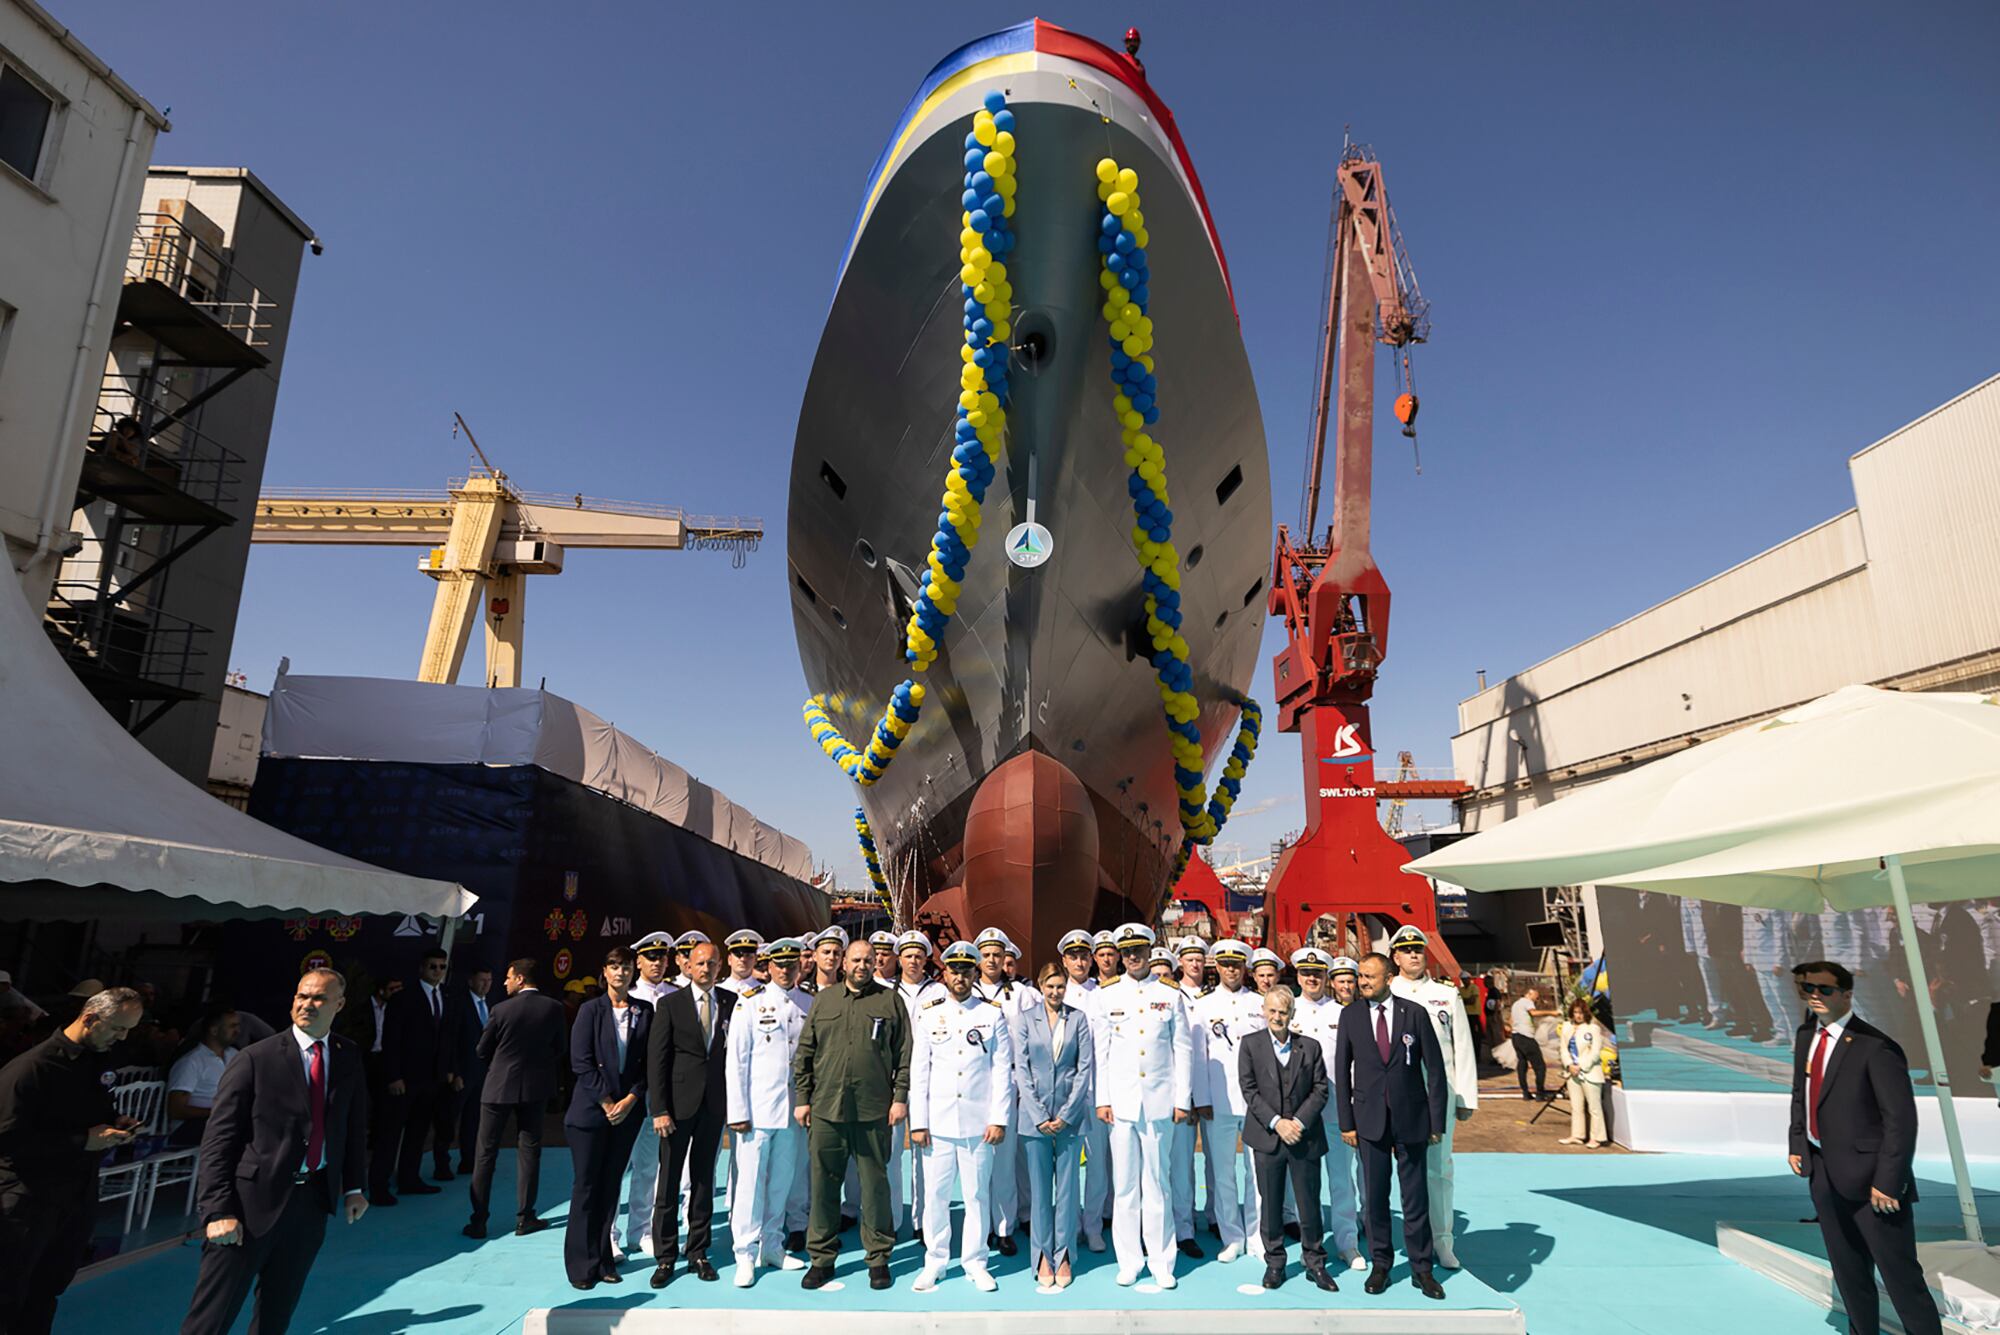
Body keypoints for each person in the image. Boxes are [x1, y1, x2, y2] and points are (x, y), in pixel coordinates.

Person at [180, 971, 366, 1335]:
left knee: (277, 1311)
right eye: (301, 996)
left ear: (339, 1005)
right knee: (212, 1316)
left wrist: (353, 1186)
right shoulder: (255, 1058)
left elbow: (352, 1124)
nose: (306, 1005)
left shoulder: (347, 1055)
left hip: (310, 1203)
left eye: (318, 999)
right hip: (249, 1206)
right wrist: (218, 1210)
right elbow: (220, 1139)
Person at [1788, 961, 1942, 1335]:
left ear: (1846, 994)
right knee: (1848, 1271)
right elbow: (1801, 1094)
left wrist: (1889, 1182)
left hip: (1874, 1183)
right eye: (1807, 988)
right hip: (1822, 1171)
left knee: (1899, 1275)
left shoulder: (1877, 1048)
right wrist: (1797, 1143)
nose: (1815, 996)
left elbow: (1901, 1122)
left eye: (1824, 990)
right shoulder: (1806, 1034)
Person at [0, 987, 142, 1334]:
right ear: (90, 1019)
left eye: (128, 1031)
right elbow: (7, 1141)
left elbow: (86, 1117)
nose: (121, 1038)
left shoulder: (96, 1062)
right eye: (117, 1028)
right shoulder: (30, 1069)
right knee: (7, 1294)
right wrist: (83, 1141)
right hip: (26, 1201)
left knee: (46, 1291)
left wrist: (116, 1125)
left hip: (75, 1197)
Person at [792, 937, 912, 1291]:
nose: (862, 965)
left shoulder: (889, 1000)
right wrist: (803, 1098)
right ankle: (822, 1258)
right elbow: (806, 1052)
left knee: (875, 1186)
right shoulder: (824, 1000)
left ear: (876, 964)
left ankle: (878, 1258)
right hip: (827, 1108)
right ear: (843, 963)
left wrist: (899, 1098)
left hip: (872, 1109)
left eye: (868, 960)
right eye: (856, 959)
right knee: (824, 1184)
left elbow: (904, 1054)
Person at [1333, 952, 1447, 1301]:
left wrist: (1436, 1121)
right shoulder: (1350, 1015)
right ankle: (1381, 1263)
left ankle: (1422, 1269)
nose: (1362, 982)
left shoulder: (1414, 1013)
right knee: (1376, 1199)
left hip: (1411, 1120)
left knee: (1415, 1200)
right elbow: (1342, 1072)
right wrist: (1346, 1123)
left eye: (1369, 977)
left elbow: (1436, 1071)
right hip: (1369, 1123)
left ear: (1387, 978)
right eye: (1360, 977)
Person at [908, 941, 1015, 1293]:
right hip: (937, 1123)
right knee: (936, 1196)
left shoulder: (991, 1014)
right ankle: (935, 1261)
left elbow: (1002, 1071)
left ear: (974, 973)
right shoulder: (929, 1012)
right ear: (945, 973)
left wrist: (999, 1118)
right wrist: (919, 1122)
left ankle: (976, 1261)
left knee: (976, 1196)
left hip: (977, 1123)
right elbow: (918, 1071)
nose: (960, 976)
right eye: (954, 970)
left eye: (967, 970)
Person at [1094, 922, 1195, 1289]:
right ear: (1120, 955)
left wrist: (1181, 1099)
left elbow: (1181, 1050)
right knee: (1124, 1187)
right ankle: (1129, 1260)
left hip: (1158, 1103)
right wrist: (1102, 1099)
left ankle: (1162, 1260)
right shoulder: (1107, 994)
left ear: (1150, 952)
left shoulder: (1170, 994)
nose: (1133, 956)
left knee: (1157, 1184)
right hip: (1121, 1105)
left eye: (1139, 950)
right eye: (1127, 951)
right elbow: (1100, 1052)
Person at [1387, 924, 1479, 1270]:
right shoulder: (1385, 992)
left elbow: (1463, 1047)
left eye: (1418, 950)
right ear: (1395, 956)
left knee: (1439, 1171)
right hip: (1395, 1098)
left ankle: (1442, 1241)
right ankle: (1401, 1239)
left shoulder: (1446, 995)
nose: (1414, 955)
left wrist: (1466, 1096)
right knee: (1394, 1171)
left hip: (1437, 1097)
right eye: (1407, 950)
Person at [562, 947, 652, 1290]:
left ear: (633, 972)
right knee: (587, 1187)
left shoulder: (645, 1011)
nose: (620, 972)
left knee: (611, 1188)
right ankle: (580, 1264)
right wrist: (606, 1101)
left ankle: (603, 1258)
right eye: (614, 966)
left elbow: (647, 1063)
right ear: (605, 971)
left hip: (626, 1115)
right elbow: (580, 1061)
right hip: (589, 1115)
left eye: (626, 966)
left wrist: (630, 1099)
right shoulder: (589, 1010)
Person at [724, 937, 812, 1285]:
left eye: (792, 963)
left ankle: (772, 1246)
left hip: (793, 1111)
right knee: (750, 1183)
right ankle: (745, 1252)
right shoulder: (750, 1003)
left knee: (781, 1182)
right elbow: (737, 1061)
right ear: (769, 966)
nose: (786, 969)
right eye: (780, 964)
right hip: (758, 1110)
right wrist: (738, 1111)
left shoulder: (808, 1002)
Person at [1241, 987, 1340, 1292]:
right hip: (1268, 1137)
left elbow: (1320, 1089)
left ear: (1293, 1014)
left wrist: (1296, 1122)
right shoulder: (1250, 1045)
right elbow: (1249, 1089)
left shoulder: (1309, 1047)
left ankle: (1315, 1262)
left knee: (1308, 1202)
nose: (1277, 1017)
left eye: (1283, 1011)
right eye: (1272, 1010)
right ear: (1263, 1011)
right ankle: (1275, 1262)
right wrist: (1277, 1122)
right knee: (1270, 1203)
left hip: (1304, 1137)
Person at [648, 940, 734, 1286]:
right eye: (699, 963)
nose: (705, 969)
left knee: (703, 1181)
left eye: (712, 964)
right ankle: (665, 1257)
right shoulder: (670, 1004)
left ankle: (698, 1251)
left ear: (720, 967)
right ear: (687, 965)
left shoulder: (731, 1003)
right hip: (677, 1107)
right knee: (668, 1182)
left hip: (713, 1106)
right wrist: (660, 1109)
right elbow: (658, 1060)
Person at [464, 958, 565, 1239]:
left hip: (498, 1087)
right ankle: (526, 1217)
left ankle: (479, 1220)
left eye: (508, 977)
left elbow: (482, 1050)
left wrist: (501, 1064)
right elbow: (559, 1048)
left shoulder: (501, 1009)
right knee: (530, 1152)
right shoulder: (554, 1008)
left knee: (485, 1154)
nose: (505, 982)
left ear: (520, 979)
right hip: (536, 1088)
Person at [1015, 959, 1093, 1290]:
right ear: (1039, 986)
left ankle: (1064, 1255)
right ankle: (1041, 1256)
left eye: (1060, 986)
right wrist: (1039, 1116)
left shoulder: (1078, 1019)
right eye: (1050, 986)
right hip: (1035, 1122)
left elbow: (1084, 1067)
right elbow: (1022, 1068)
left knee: (1067, 1191)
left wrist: (1066, 1114)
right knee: (1039, 1191)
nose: (1055, 992)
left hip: (1070, 1121)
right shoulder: (1024, 1020)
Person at [1192, 938, 1266, 1263]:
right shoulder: (1203, 1005)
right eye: (1224, 964)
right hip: (1218, 1101)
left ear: (1245, 967)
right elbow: (1197, 1057)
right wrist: (1201, 1099)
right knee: (1222, 1172)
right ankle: (1232, 1236)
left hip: (1255, 1102)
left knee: (1257, 1173)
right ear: (1216, 967)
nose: (1231, 969)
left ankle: (1257, 1236)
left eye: (1236, 964)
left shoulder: (1260, 1003)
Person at [1288, 949, 1362, 1269]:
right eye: (1306, 973)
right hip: (1301, 1112)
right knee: (1305, 1184)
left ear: (1326, 977)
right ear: (1298, 976)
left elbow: (1356, 1061)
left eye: (1317, 973)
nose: (1312, 978)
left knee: (1342, 1179)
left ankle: (1348, 1242)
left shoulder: (1344, 1012)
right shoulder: (1289, 1011)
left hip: (1337, 1110)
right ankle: (1312, 1245)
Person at [370, 949, 458, 1204]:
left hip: (432, 1079)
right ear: (422, 968)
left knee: (418, 1132)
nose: (438, 971)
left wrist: (448, 1070)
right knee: (390, 1133)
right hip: (404, 1079)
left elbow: (448, 1037)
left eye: (442, 967)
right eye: (433, 966)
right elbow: (392, 1039)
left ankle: (409, 1179)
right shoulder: (403, 998)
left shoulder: (445, 996)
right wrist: (393, 1076)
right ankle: (378, 1186)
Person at [617, 932, 677, 1260]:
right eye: (650, 958)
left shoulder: (674, 995)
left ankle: (639, 1231)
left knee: (648, 1166)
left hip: (659, 1093)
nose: (657, 963)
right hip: (630, 1091)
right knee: (618, 1164)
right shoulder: (626, 994)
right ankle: (609, 1233)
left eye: (662, 958)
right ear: (637, 961)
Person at [971, 926, 1030, 1255]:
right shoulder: (966, 991)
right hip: (976, 1081)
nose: (992, 960)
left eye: (997, 955)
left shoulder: (1022, 995)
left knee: (1005, 1160)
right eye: (987, 955)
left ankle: (1005, 1226)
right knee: (978, 1161)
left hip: (1010, 1080)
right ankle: (980, 1227)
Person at [1058, 929, 1111, 1253]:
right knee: (1064, 1165)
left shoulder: (1105, 994)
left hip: (1096, 1091)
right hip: (1064, 1093)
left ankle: (1092, 1225)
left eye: (1084, 955)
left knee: (1097, 1164)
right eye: (1073, 956)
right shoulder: (1052, 994)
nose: (1079, 961)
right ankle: (1067, 1224)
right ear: (1064, 960)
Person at [167, 1009, 241, 1147]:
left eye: (237, 1026)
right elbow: (176, 1109)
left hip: (221, 1120)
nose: (237, 1031)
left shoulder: (235, 1055)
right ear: (214, 1030)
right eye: (232, 1026)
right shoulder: (191, 1062)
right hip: (190, 1127)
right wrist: (217, 1112)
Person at [445, 967, 493, 1177]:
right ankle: (441, 1162)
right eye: (482, 979)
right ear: (471, 980)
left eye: (489, 980)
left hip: (483, 1074)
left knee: (474, 1119)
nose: (486, 984)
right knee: (448, 1118)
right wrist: (454, 1072)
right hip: (462, 1073)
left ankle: (469, 1160)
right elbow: (452, 1040)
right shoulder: (459, 1004)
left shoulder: (492, 1004)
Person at [1557, 996, 1609, 1147]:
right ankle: (1577, 1135)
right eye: (1575, 1012)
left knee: (1594, 1107)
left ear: (1585, 1013)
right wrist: (1569, 1065)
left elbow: (1595, 1052)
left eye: (1580, 1012)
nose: (1578, 1015)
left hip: (1589, 1073)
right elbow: (1563, 1049)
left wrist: (1581, 1066)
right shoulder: (1566, 1027)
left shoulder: (1593, 1029)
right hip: (1571, 1072)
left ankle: (1596, 1138)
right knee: (1576, 1106)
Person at [1509, 986, 1555, 1100]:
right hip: (1526, 1037)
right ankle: (1540, 1093)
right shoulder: (1527, 1002)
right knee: (1540, 1066)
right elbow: (1533, 1013)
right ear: (1529, 993)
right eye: (1536, 996)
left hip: (1516, 1036)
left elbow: (1511, 1020)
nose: (1536, 999)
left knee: (1522, 1063)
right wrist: (1552, 1013)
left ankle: (1525, 1092)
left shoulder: (1516, 1004)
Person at [721, 930, 764, 995]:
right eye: (738, 955)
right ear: (729, 959)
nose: (743, 959)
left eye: (748, 955)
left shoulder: (765, 992)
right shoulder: (718, 990)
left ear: (755, 960)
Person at [807, 926, 848, 993]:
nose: (831, 957)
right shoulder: (804, 990)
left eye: (836, 953)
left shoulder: (849, 989)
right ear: (815, 956)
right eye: (826, 952)